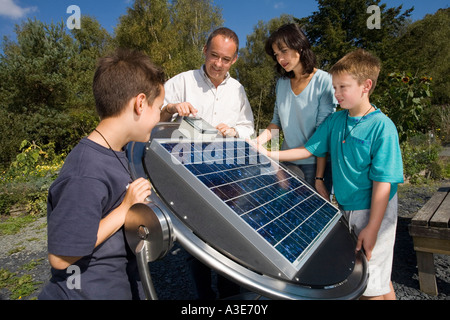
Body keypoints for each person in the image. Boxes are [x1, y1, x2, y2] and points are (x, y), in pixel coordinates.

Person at [257, 49, 404, 300]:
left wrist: (373, 227)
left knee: (369, 286)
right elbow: (307, 149)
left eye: (342, 87)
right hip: (348, 207)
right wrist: (270, 154)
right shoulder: (336, 121)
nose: (336, 94)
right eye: (334, 87)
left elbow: (383, 183)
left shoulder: (382, 127)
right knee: (378, 277)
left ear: (366, 86)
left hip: (376, 211)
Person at [39, 49, 166, 300]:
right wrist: (124, 210)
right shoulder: (85, 172)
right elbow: (61, 257)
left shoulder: (120, 151)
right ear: (140, 103)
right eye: (159, 108)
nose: (160, 117)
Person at [255, 23, 336, 199]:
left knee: (313, 219)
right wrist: (256, 143)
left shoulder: (325, 81)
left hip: (316, 166)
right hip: (286, 163)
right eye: (276, 54)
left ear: (299, 45)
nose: (280, 58)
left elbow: (321, 139)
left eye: (284, 51)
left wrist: (319, 178)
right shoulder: (281, 83)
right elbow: (276, 123)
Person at [160, 27, 254, 139]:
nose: (218, 64)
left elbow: (248, 128)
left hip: (223, 154)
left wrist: (233, 131)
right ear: (205, 50)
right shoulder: (182, 81)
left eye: (226, 59)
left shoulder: (237, 89)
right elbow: (153, 124)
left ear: (234, 60)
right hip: (184, 153)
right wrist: (169, 109)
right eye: (214, 55)